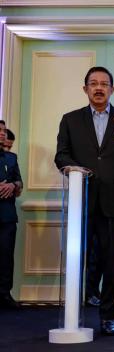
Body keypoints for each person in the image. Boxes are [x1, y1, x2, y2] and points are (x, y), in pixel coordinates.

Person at [55, 66, 114, 335]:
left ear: (112, 89)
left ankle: (108, 317)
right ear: (85, 89)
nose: (99, 88)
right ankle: (75, 312)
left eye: (104, 84)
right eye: (94, 83)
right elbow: (61, 155)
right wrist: (74, 168)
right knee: (79, 258)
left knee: (111, 261)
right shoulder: (70, 120)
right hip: (82, 201)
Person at [0, 120, 23, 310]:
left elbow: (20, 184)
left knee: (6, 257)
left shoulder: (11, 158)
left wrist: (13, 185)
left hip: (7, 216)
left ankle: (4, 294)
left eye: (3, 130)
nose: (2, 133)